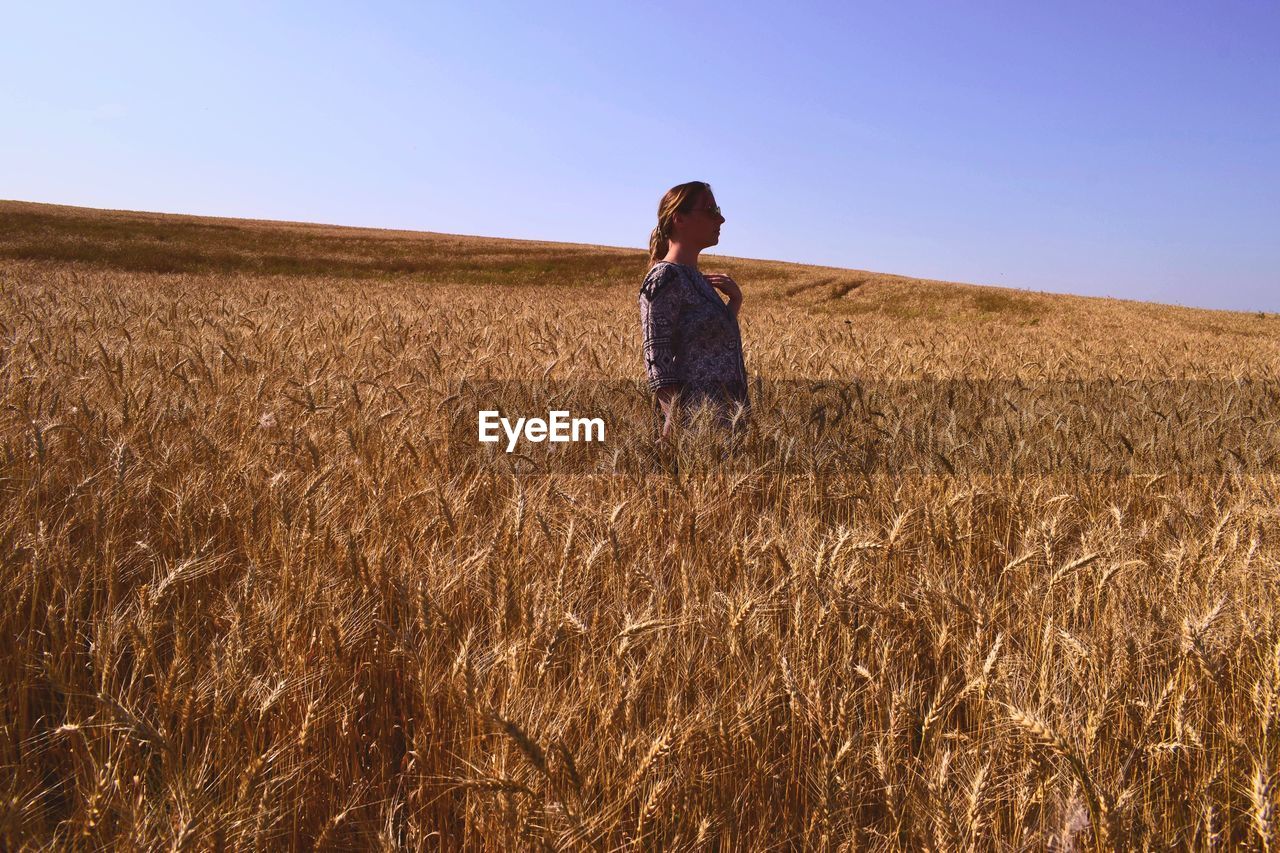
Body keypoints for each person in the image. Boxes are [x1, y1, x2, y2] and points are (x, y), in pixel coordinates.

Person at [639, 181, 750, 441]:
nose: (721, 219)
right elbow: (656, 355)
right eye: (710, 210)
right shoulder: (664, 278)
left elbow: (709, 344)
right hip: (694, 426)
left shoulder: (697, 279)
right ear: (680, 218)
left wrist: (733, 304)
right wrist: (672, 420)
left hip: (725, 422)